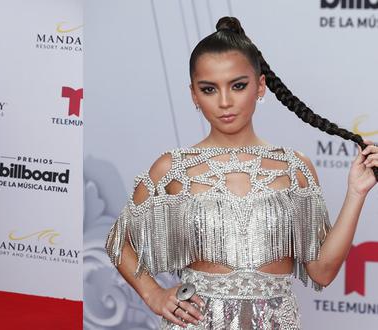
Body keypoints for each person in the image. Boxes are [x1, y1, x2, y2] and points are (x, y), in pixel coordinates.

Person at [105, 16, 378, 329]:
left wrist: (356, 192)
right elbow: (118, 242)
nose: (224, 102)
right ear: (194, 94)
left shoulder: (294, 168)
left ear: (260, 86)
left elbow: (322, 271)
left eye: (238, 86)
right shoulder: (173, 168)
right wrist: (153, 294)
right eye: (209, 89)